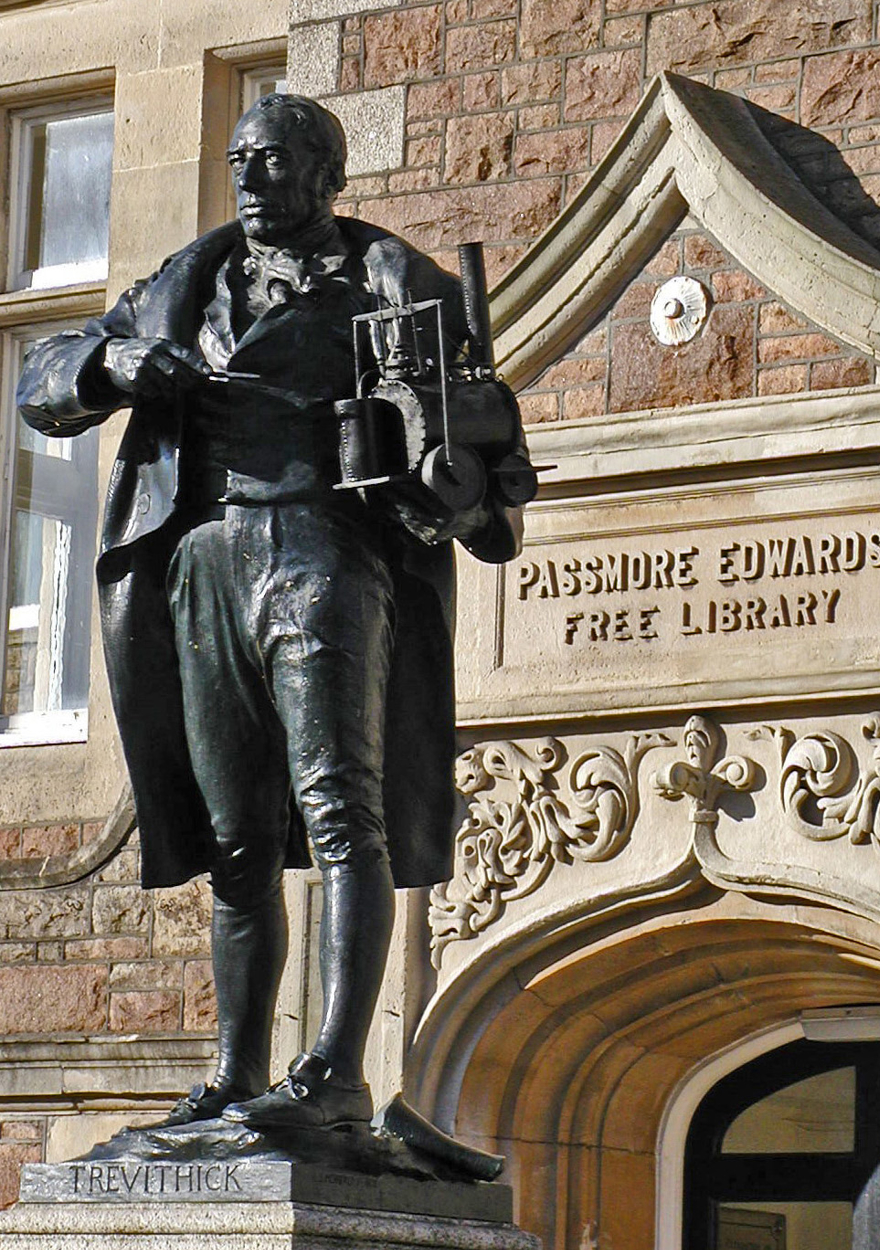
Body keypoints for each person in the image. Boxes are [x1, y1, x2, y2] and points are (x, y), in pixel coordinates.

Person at [17, 94, 522, 1133]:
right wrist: (112, 365)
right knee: (236, 832)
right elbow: (43, 377)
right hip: (202, 556)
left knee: (342, 811)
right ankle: (239, 1069)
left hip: (325, 549)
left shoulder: (389, 284)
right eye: (242, 159)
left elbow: (482, 452)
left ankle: (336, 1067)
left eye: (276, 160)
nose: (250, 178)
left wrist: (454, 468)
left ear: (326, 176)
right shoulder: (183, 286)